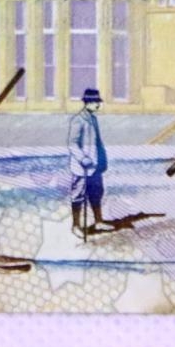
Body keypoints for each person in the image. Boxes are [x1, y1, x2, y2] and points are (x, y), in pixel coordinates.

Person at [67, 87, 109, 236]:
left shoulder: (93, 119)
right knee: (78, 195)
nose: (98, 105)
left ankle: (98, 221)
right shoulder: (78, 120)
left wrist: (102, 161)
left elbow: (97, 142)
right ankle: (76, 225)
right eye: (95, 102)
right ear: (87, 102)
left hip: (95, 166)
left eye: (98, 102)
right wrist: (82, 158)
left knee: (96, 193)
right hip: (82, 167)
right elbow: (72, 143)